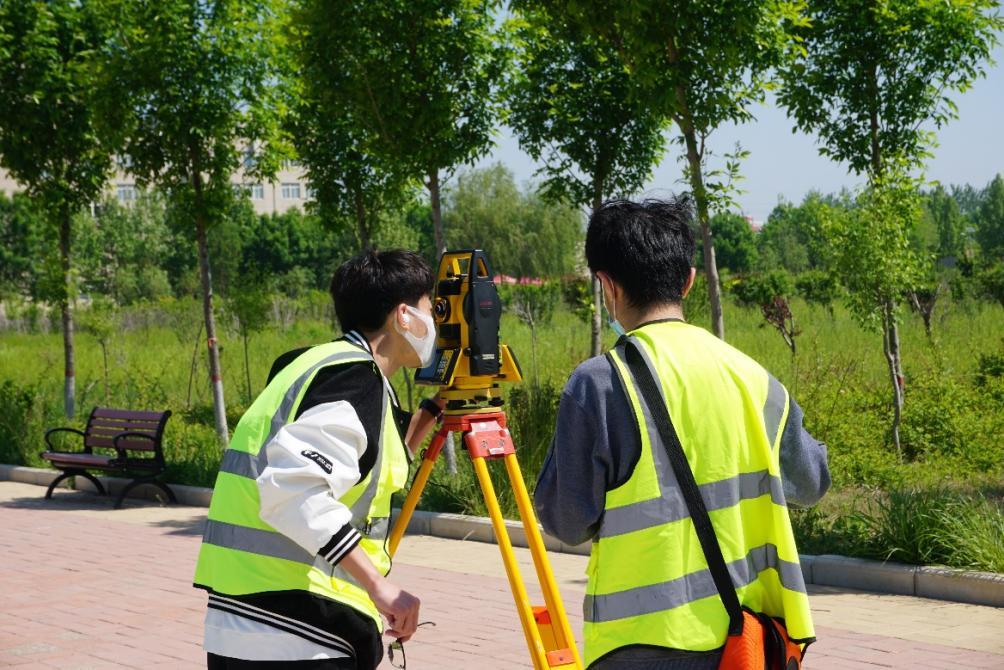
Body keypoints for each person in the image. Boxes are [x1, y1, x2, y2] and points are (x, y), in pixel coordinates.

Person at [534, 198, 831, 670]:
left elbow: (566, 522)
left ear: (606, 286)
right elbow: (813, 481)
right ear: (689, 280)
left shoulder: (600, 383)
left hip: (639, 645)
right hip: (744, 642)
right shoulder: (751, 376)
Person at [194, 249, 447, 669]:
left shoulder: (311, 364)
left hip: (241, 622)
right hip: (299, 630)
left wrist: (436, 409)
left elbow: (361, 459)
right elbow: (294, 487)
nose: (434, 324)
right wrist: (379, 587)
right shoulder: (354, 378)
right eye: (428, 308)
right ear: (404, 316)